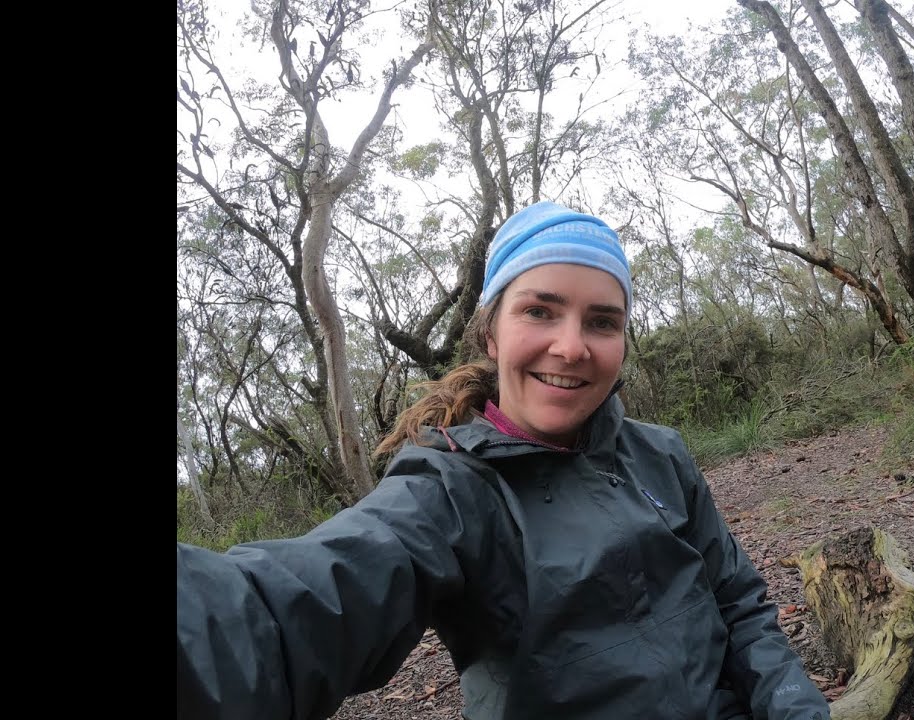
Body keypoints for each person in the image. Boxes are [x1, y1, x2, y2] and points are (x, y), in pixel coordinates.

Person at [177, 200, 830, 720]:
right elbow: (290, 612)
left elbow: (739, 606)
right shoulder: (450, 492)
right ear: (491, 332)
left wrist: (795, 707)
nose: (571, 347)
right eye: (540, 311)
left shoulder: (659, 454)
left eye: (602, 322)